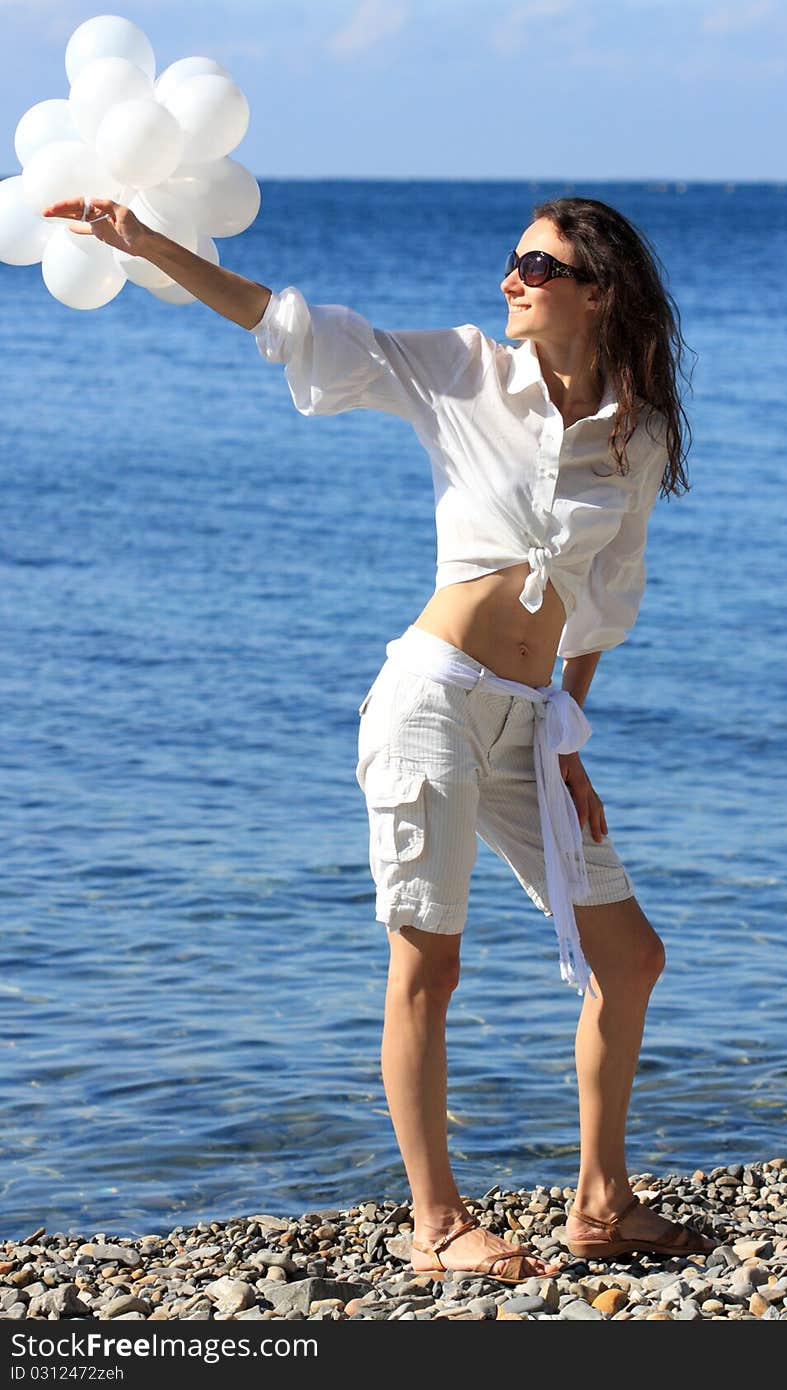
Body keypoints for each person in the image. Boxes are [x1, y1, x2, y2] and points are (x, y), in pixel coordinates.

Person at [43, 192, 717, 1283]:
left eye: (535, 267)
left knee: (630, 957)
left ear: (599, 289)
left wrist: (568, 738)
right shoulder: (459, 370)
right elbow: (294, 327)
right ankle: (437, 1221)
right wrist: (149, 244)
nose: (509, 279)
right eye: (511, 261)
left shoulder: (635, 434)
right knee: (428, 965)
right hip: (433, 700)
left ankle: (599, 1204)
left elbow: (607, 595)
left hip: (525, 729)